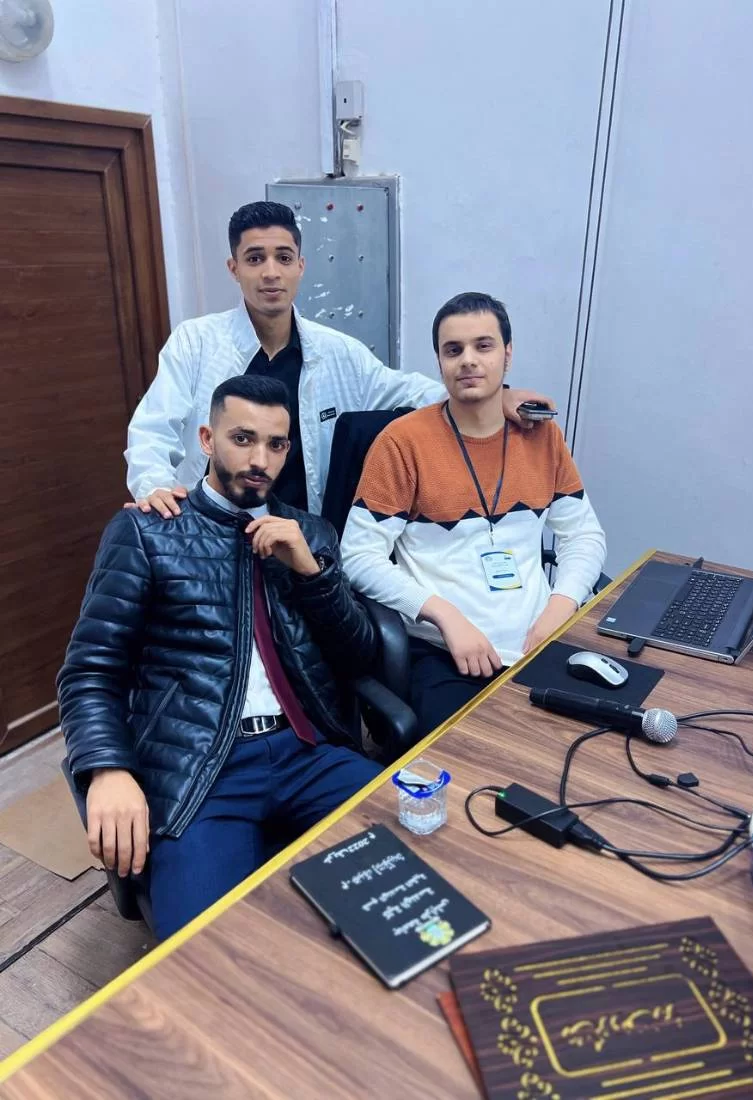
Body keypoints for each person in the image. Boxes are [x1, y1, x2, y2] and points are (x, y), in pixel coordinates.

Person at [59, 375, 383, 941]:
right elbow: (90, 672)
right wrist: (107, 769)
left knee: (414, 873)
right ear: (207, 439)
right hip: (203, 767)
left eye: (275, 444)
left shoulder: (309, 533)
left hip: (309, 752)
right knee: (204, 951)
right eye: (242, 438)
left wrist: (312, 572)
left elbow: (359, 657)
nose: (259, 460)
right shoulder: (149, 530)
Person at [125, 200, 551, 519]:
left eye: (283, 258)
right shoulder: (196, 342)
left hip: (300, 537)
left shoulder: (336, 352)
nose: (271, 272)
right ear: (234, 268)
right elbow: (152, 428)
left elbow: (409, 391)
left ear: (301, 266)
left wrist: (497, 397)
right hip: (212, 530)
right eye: (255, 259)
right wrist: (154, 487)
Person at [341, 292, 606, 736]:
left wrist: (561, 607)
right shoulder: (402, 443)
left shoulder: (543, 437)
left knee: (598, 748)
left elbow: (583, 535)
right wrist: (445, 617)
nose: (468, 360)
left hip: (540, 641)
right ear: (439, 362)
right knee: (479, 764)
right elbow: (357, 556)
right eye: (453, 350)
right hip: (446, 654)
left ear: (507, 354)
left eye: (483, 346)